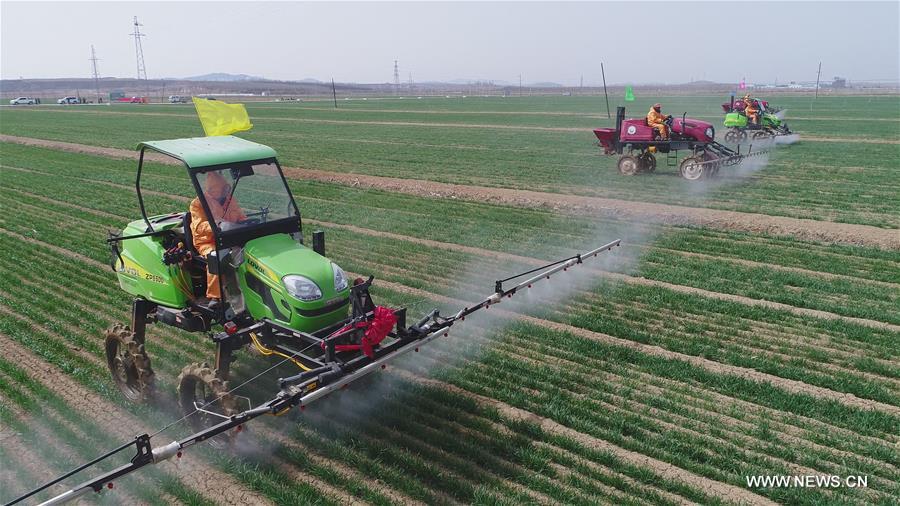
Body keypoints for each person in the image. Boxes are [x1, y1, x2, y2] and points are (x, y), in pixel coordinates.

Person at [189, 171, 246, 303]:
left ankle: (243, 291)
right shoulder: (198, 203)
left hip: (228, 238)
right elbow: (199, 227)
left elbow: (240, 216)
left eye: (225, 188)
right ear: (211, 189)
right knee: (217, 257)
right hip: (207, 242)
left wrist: (245, 222)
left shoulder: (230, 200)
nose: (224, 192)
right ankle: (216, 298)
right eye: (221, 189)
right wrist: (217, 226)